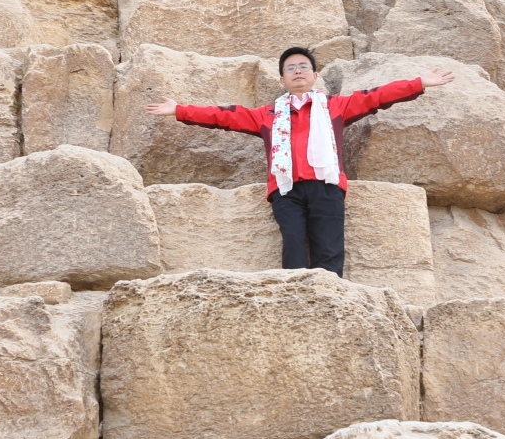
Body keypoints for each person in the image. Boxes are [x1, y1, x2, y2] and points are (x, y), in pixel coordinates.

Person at [146, 47, 455, 277]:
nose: (297, 71)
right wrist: (180, 110)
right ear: (282, 78)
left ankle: (331, 299)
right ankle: (295, 298)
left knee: (329, 247)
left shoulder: (336, 106)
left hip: (326, 187)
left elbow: (377, 96)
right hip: (286, 190)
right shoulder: (266, 114)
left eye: (304, 66)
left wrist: (420, 83)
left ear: (315, 75)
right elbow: (224, 116)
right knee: (293, 243)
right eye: (290, 68)